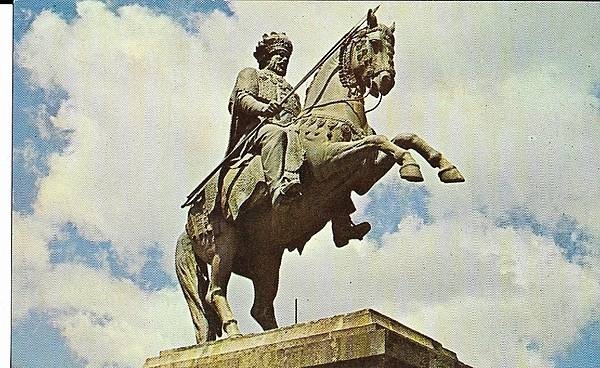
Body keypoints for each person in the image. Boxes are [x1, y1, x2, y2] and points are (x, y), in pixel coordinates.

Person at [227, 32, 370, 246]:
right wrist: (264, 108)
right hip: (257, 131)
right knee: (275, 133)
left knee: (326, 159)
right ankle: (277, 188)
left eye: (286, 57)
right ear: (267, 57)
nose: (283, 60)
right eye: (278, 55)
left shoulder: (291, 92)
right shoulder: (252, 74)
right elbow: (241, 98)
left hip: (291, 131)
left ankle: (341, 223)